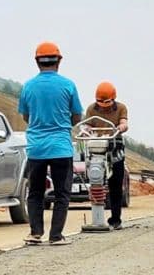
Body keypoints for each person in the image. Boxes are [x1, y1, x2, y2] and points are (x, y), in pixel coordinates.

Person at [18, 41, 83, 245]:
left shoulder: (28, 86)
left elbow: (26, 116)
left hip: (36, 148)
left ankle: (36, 233)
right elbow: (76, 116)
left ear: (37, 61)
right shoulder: (68, 85)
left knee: (35, 192)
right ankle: (56, 236)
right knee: (62, 193)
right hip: (61, 147)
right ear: (59, 61)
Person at [82, 81, 130, 229]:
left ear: (113, 98)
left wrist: (121, 127)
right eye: (100, 101)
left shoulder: (121, 108)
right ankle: (97, 217)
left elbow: (124, 122)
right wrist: (86, 130)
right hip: (97, 147)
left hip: (115, 145)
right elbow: (88, 125)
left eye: (107, 101)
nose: (103, 104)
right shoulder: (91, 108)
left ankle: (116, 219)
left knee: (115, 183)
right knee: (96, 180)